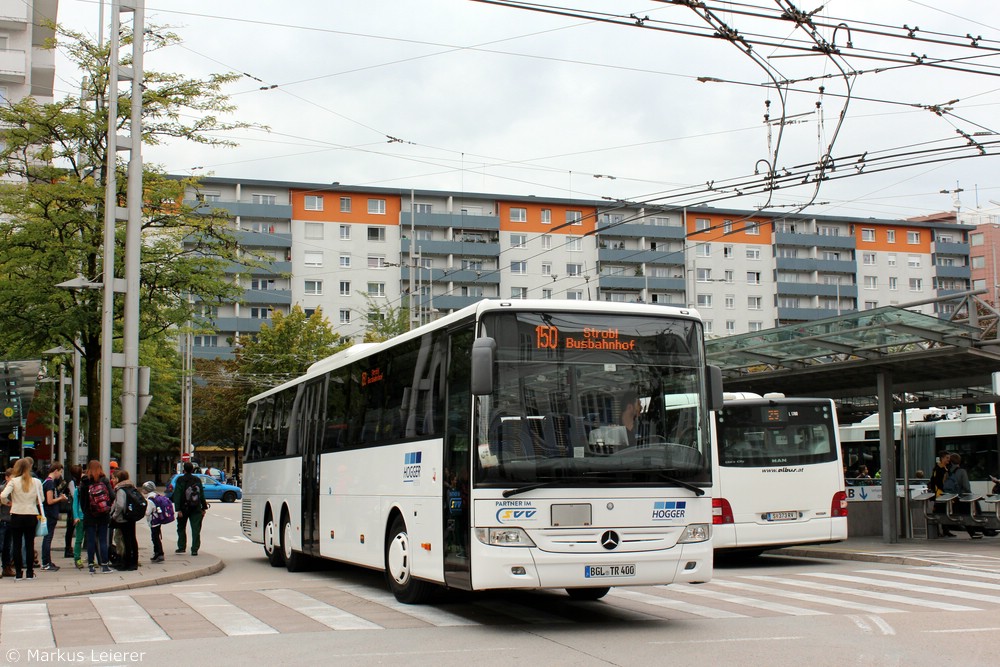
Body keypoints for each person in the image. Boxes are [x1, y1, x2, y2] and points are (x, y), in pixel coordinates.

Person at [0, 457, 43, 580]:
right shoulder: (36, 482)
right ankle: (29, 572)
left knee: (17, 544)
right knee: (30, 544)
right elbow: (42, 499)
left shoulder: (14, 481)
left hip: (16, 514)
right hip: (31, 514)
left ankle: (18, 573)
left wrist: (8, 502)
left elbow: (3, 495)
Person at [79, 460, 114, 574]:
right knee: (103, 539)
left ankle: (91, 565)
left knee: (90, 539)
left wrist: (85, 510)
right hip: (103, 513)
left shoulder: (84, 481)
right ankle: (104, 564)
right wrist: (107, 506)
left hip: (90, 514)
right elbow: (112, 495)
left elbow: (82, 499)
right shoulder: (104, 479)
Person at [171, 462, 208, 556]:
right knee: (196, 529)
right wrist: (204, 507)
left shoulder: (180, 480)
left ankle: (181, 547)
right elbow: (201, 495)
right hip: (196, 507)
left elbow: (177, 494)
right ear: (192, 470)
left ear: (184, 469)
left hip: (184, 508)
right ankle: (194, 549)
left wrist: (178, 509)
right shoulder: (197, 479)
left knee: (181, 527)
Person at [109, 469, 140, 571]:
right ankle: (134, 561)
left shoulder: (120, 489)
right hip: (131, 516)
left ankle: (126, 563)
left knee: (125, 540)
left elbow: (119, 505)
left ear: (118, 479)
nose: (112, 480)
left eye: (113, 478)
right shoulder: (131, 487)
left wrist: (114, 515)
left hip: (123, 518)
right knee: (132, 539)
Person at [40, 462, 67, 571]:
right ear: (55, 471)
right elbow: (50, 501)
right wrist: (61, 499)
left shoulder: (46, 482)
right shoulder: (50, 483)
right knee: (48, 538)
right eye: (60, 472)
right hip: (50, 513)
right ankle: (46, 562)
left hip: (48, 513)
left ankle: (47, 561)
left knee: (48, 538)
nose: (60, 475)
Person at [927, 451, 955, 537]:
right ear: (942, 458)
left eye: (949, 458)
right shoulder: (938, 469)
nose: (948, 460)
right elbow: (935, 481)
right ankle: (941, 530)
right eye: (947, 458)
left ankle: (945, 530)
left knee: (943, 511)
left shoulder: (945, 468)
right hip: (940, 493)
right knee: (939, 511)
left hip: (943, 492)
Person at [142, 481, 165, 562]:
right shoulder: (155, 495)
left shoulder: (150, 499)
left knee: (155, 538)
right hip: (158, 519)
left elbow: (147, 512)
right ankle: (158, 553)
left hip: (153, 521)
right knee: (156, 537)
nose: (142, 490)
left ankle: (159, 553)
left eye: (144, 489)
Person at [0, 468, 12, 577]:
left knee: (7, 547)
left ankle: (6, 567)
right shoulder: (2, 489)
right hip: (3, 520)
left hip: (12, 520)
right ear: (6, 478)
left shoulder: (15, 490)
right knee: (1, 545)